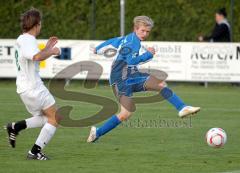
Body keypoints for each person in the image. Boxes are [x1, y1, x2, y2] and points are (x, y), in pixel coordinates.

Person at [87, 16, 200, 142]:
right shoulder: (133, 42)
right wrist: (149, 54)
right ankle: (97, 132)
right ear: (136, 29)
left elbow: (113, 42)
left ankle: (182, 108)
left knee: (160, 84)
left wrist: (97, 49)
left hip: (131, 76)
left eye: (147, 32)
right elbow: (130, 61)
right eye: (142, 31)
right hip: (120, 80)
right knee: (125, 114)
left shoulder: (128, 38)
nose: (145, 34)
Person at [6, 8, 61, 160]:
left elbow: (33, 56)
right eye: (40, 23)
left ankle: (15, 127)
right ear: (37, 24)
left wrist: (47, 48)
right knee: (55, 117)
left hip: (24, 88)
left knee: (45, 118)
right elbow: (36, 57)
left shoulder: (22, 39)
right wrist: (53, 51)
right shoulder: (28, 40)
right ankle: (35, 152)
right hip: (33, 87)